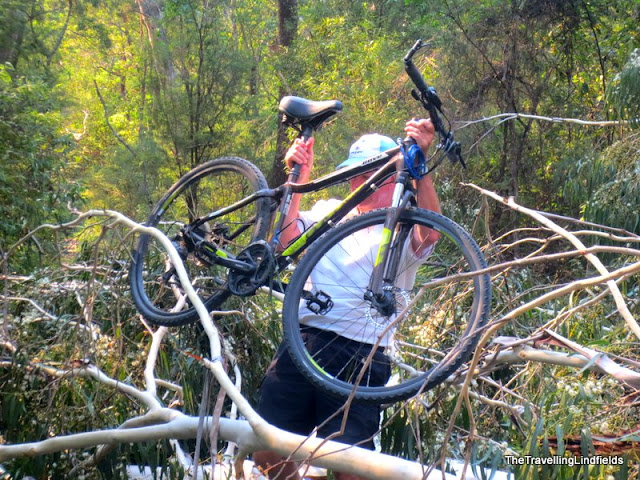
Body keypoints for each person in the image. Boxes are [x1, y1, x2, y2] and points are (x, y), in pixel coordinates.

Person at [253, 119, 440, 480]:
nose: (363, 179)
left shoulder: (403, 224)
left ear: (394, 173)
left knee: (350, 468)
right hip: (302, 342)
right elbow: (284, 239)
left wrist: (421, 168)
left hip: (363, 355)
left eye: (375, 170)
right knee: (267, 451)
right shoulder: (329, 210)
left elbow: (430, 232)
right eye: (356, 172)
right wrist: (299, 178)